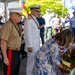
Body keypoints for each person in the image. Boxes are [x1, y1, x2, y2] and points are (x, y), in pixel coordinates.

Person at [1, 7, 23, 75]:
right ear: (13, 16)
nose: (21, 17)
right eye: (19, 15)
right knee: (10, 72)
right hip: (10, 52)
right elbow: (3, 42)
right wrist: (5, 58)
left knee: (15, 71)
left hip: (16, 52)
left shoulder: (16, 25)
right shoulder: (8, 25)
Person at [24, 4, 41, 75]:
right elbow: (27, 34)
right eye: (37, 11)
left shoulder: (34, 19)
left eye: (39, 11)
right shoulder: (29, 20)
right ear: (32, 11)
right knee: (30, 63)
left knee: (34, 62)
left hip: (36, 45)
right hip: (32, 46)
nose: (38, 13)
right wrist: (29, 46)